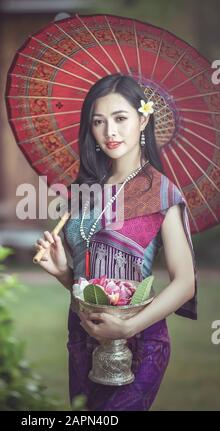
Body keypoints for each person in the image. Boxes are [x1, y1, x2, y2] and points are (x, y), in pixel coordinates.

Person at [34, 74, 198, 411]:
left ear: (143, 120)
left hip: (139, 338)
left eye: (121, 118)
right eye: (99, 121)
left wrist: (127, 325)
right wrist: (64, 272)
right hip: (82, 335)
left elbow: (186, 283)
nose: (110, 131)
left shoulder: (161, 191)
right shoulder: (84, 192)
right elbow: (89, 285)